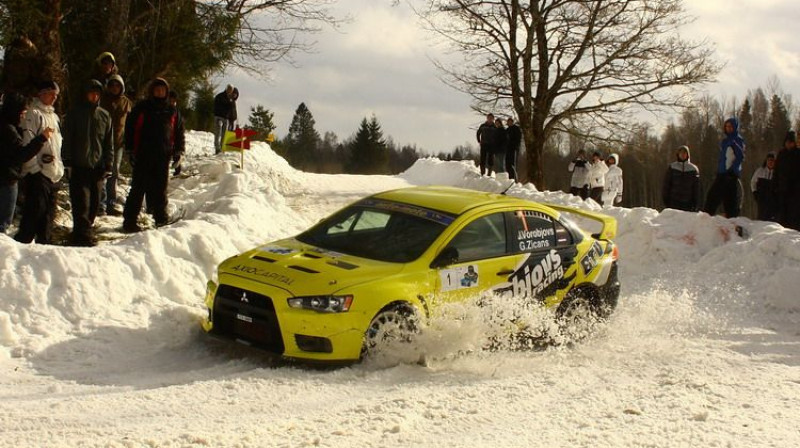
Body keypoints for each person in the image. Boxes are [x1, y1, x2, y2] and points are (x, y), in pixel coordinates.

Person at [122, 78, 185, 232]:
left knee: (160, 189)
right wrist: (129, 149)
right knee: (138, 189)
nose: (159, 92)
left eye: (162, 90)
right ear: (152, 91)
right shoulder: (142, 108)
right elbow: (130, 128)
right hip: (143, 155)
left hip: (163, 156)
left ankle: (161, 218)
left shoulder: (172, 110)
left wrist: (179, 151)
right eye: (157, 90)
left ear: (166, 91)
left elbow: (179, 132)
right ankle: (129, 221)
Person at [62, 80, 114, 246]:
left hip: (97, 167)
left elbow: (108, 142)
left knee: (94, 204)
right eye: (91, 92)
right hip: (78, 166)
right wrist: (67, 160)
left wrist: (109, 163)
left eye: (97, 93)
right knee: (81, 202)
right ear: (85, 94)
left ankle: (86, 230)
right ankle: (81, 235)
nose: (94, 96)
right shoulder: (75, 113)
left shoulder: (104, 115)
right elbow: (67, 138)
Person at [15, 81, 64, 245]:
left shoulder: (54, 117)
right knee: (34, 213)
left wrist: (59, 169)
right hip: (38, 173)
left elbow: (57, 145)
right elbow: (27, 143)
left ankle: (45, 249)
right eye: (50, 94)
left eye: (56, 95)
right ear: (42, 94)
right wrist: (34, 169)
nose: (53, 98)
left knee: (48, 217)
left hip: (53, 173)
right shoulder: (33, 114)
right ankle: (21, 245)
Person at [0, 92, 53, 233]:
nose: (23, 116)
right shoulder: (8, 130)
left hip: (6, 177)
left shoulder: (7, 125)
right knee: (3, 223)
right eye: (22, 112)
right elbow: (21, 154)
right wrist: (41, 139)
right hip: (6, 179)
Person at [99, 74, 132, 216]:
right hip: (101, 143)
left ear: (121, 87)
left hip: (117, 144)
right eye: (112, 85)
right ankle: (100, 203)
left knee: (114, 173)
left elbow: (130, 123)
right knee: (101, 172)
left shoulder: (126, 103)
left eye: (117, 85)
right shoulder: (102, 100)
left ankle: (111, 203)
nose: (114, 88)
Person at [704, 117, 745, 218]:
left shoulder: (737, 140)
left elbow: (740, 156)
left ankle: (709, 217)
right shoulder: (725, 141)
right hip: (722, 173)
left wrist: (732, 170)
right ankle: (707, 217)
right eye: (726, 126)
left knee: (725, 199)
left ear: (735, 127)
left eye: (730, 127)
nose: (728, 128)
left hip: (730, 174)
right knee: (715, 196)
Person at [774, 130, 800, 230]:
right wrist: (775, 186)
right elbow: (776, 171)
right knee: (782, 214)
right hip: (782, 189)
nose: (789, 144)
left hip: (795, 191)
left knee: (794, 214)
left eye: (791, 142)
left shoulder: (798, 154)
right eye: (787, 142)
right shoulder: (781, 154)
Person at [662, 145, 701, 212]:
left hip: (688, 204)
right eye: (681, 153)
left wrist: (696, 204)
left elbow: (696, 188)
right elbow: (666, 185)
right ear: (678, 154)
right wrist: (666, 200)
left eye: (685, 153)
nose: (683, 155)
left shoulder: (694, 169)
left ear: (688, 155)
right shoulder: (672, 167)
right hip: (673, 202)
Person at [750, 152, 777, 222]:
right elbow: (753, 182)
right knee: (761, 217)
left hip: (773, 200)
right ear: (766, 161)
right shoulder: (760, 171)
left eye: (772, 160)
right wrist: (755, 192)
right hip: (762, 198)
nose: (770, 162)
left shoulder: (777, 173)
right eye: (769, 160)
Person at [213, 85, 234, 154]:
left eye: (231, 90)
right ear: (226, 89)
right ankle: (217, 148)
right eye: (229, 89)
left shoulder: (231, 98)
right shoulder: (220, 96)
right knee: (218, 133)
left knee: (224, 134)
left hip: (226, 118)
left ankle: (222, 148)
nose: (230, 91)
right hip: (218, 116)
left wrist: (231, 119)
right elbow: (216, 106)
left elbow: (232, 109)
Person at [505, 117, 521, 181]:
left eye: (510, 122)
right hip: (508, 149)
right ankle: (510, 177)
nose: (509, 123)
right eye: (508, 122)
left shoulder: (516, 129)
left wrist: (515, 146)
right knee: (507, 164)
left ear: (512, 122)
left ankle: (515, 179)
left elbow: (518, 139)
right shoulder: (507, 130)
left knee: (513, 164)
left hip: (514, 149)